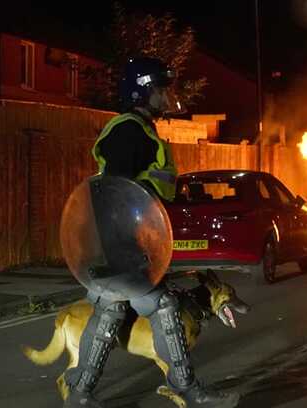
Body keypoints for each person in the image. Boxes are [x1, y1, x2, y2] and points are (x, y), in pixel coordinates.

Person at [62, 57, 240, 408]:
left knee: (121, 310)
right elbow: (114, 193)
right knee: (153, 305)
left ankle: (81, 394)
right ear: (143, 90)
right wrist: (121, 248)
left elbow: (144, 193)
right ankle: (186, 389)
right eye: (160, 89)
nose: (165, 96)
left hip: (131, 244)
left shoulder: (141, 130)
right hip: (119, 246)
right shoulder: (127, 130)